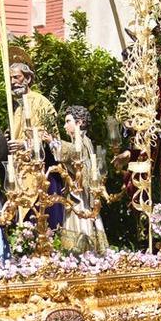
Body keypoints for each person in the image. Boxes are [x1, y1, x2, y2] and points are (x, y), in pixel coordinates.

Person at [112, 76, 161, 208]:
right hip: (142, 172)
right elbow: (136, 138)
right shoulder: (132, 95)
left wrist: (148, 126)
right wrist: (128, 153)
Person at [6, 61, 65, 231]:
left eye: (16, 77)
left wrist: (24, 143)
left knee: (41, 213)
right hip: (20, 167)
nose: (13, 81)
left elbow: (48, 136)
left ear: (28, 78)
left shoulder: (41, 102)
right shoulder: (16, 107)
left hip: (40, 168)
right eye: (10, 78)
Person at [54, 105, 109, 252]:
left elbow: (75, 156)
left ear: (80, 123)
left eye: (68, 121)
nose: (65, 126)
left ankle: (84, 251)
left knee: (82, 220)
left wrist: (54, 142)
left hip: (82, 193)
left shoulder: (84, 141)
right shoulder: (79, 141)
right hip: (75, 190)